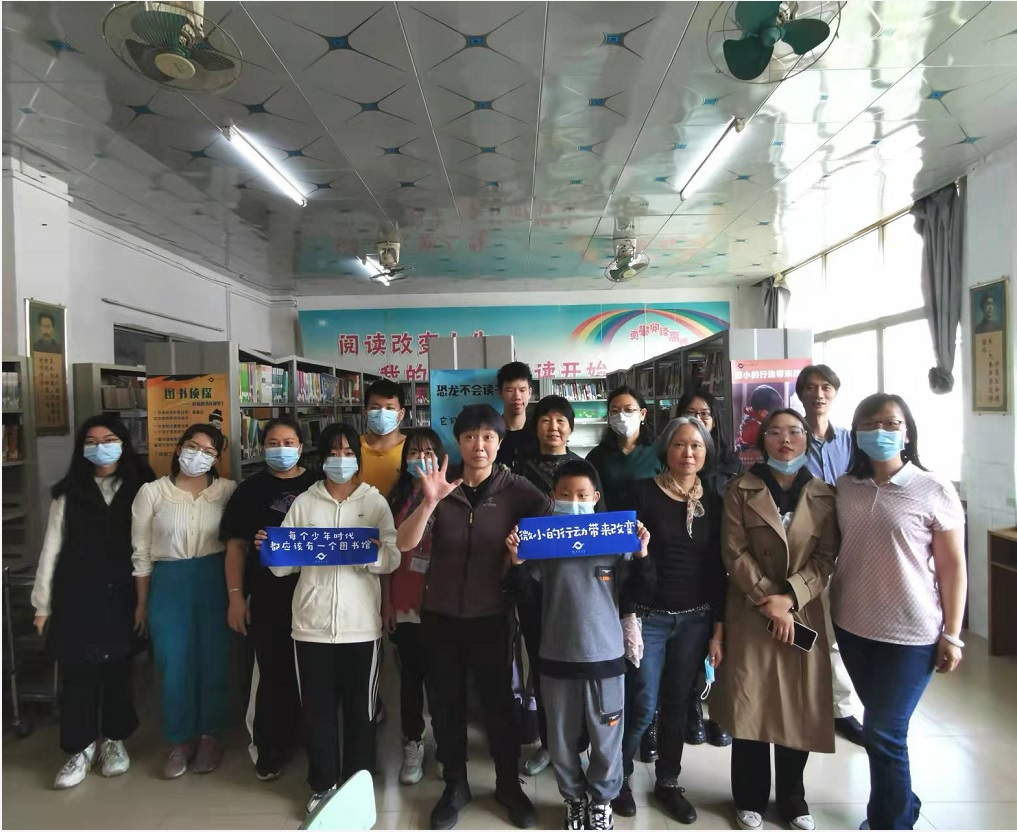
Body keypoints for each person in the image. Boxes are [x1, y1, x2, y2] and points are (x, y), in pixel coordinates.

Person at [396, 404, 553, 831]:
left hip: (493, 616)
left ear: (499, 442)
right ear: (458, 442)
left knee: (499, 704)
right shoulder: (440, 486)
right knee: (446, 705)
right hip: (440, 615)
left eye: (487, 437)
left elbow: (549, 538)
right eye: (469, 437)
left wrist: (521, 562)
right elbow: (404, 543)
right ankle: (455, 785)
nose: (478, 446)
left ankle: (508, 784)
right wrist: (429, 502)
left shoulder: (519, 490)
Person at [831, 394, 966, 831]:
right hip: (853, 625)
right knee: (882, 729)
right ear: (857, 434)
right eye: (869, 424)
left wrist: (952, 633)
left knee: (883, 732)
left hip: (912, 633)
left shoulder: (933, 489)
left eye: (890, 424)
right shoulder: (845, 487)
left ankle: (890, 822)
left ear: (907, 433)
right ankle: (902, 801)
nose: (880, 432)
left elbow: (952, 567)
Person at [503, 459, 650, 831]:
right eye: (566, 494)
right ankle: (572, 799)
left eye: (583, 495)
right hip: (557, 657)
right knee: (561, 740)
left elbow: (640, 591)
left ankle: (601, 802)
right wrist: (517, 562)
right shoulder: (545, 541)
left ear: (596, 497)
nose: (575, 501)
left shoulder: (614, 539)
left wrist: (642, 555)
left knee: (606, 738)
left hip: (606, 658)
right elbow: (524, 595)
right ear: (553, 498)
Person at [710, 408, 838, 832]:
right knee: (751, 702)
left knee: (798, 705)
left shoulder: (823, 495)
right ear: (762, 440)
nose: (785, 440)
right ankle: (748, 797)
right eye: (776, 433)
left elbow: (825, 559)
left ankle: (792, 798)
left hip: (802, 611)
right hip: (752, 610)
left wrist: (790, 598)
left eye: (795, 432)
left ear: (807, 439)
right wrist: (769, 600)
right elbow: (733, 552)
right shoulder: (740, 489)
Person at [267, 423, 401, 816]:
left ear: (358, 459)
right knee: (317, 712)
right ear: (321, 458)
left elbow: (392, 558)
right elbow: (282, 569)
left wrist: (371, 554)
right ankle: (323, 784)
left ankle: (358, 784)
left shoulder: (374, 502)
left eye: (347, 453)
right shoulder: (304, 503)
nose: (340, 460)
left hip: (361, 626)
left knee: (362, 712)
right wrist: (275, 550)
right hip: (310, 625)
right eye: (332, 453)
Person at [614, 417, 726, 825]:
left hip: (696, 619)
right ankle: (619, 777)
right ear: (666, 449)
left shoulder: (715, 501)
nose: (688, 453)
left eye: (696, 445)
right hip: (650, 618)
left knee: (678, 703)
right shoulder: (641, 492)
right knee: (642, 704)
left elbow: (719, 568)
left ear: (706, 452)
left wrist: (718, 628)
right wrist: (628, 614)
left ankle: (668, 781)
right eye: (680, 444)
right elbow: (625, 561)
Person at [31, 416, 154, 789]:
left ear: (124, 444)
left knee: (117, 670)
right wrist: (42, 605)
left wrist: (143, 602)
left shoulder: (141, 488)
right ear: (82, 448)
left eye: (109, 439)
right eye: (92, 440)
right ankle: (79, 747)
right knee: (78, 672)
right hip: (76, 595)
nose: (101, 447)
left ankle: (114, 740)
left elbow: (146, 548)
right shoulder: (68, 492)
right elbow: (51, 549)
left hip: (123, 594)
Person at [132, 424, 236, 779]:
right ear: (178, 449)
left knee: (214, 657)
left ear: (217, 458)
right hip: (168, 581)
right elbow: (141, 552)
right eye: (193, 446)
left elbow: (236, 544)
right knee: (171, 659)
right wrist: (142, 602)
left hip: (214, 577)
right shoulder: (152, 493)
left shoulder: (227, 491)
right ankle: (179, 738)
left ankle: (209, 735)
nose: (198, 455)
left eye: (208, 451)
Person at [220, 417, 318, 781]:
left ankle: (311, 737)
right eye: (273, 443)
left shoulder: (318, 485)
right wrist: (235, 597)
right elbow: (235, 548)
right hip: (266, 595)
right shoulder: (249, 490)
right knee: (272, 670)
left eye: (288, 442)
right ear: (263, 448)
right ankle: (270, 746)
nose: (281, 449)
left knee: (313, 672)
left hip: (314, 594)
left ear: (301, 446)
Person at [513, 394, 583, 777]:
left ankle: (577, 743)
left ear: (570, 427)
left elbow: (600, 524)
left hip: (577, 589)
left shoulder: (583, 469)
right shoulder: (519, 471)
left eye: (560, 421)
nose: (553, 427)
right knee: (541, 666)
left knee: (577, 664)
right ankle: (548, 742)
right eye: (545, 420)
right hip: (534, 585)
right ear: (535, 426)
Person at [795, 364, 864, 746]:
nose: (818, 394)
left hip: (850, 548)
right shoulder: (791, 437)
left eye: (825, 387)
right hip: (805, 551)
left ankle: (842, 709)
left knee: (841, 633)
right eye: (810, 387)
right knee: (805, 629)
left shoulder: (852, 442)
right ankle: (806, 701)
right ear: (800, 394)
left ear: (835, 393)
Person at [674, 389, 741, 749]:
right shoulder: (673, 461)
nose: (698, 419)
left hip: (728, 561)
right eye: (690, 412)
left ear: (715, 421)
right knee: (689, 648)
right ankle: (691, 711)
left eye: (705, 414)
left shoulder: (732, 465)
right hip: (690, 566)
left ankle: (719, 713)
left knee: (721, 641)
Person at [381, 428, 444, 786]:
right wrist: (387, 603)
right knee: (410, 677)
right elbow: (386, 560)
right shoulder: (394, 500)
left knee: (442, 679)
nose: (422, 458)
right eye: (415, 452)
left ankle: (446, 744)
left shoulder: (452, 495)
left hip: (440, 604)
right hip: (404, 602)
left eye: (429, 452)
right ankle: (413, 741)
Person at [585, 386, 662, 512]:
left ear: (642, 414)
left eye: (629, 410)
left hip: (650, 521)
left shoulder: (659, 452)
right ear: (609, 417)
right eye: (615, 411)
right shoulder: (597, 456)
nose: (621, 416)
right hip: (610, 522)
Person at [360, 378, 408, 498]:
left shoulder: (412, 449)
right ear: (365, 412)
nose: (382, 413)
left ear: (401, 414)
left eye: (390, 408)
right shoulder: (352, 447)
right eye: (375, 408)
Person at [495, 361, 538, 469]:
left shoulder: (539, 431)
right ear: (500, 392)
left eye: (522, 390)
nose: (517, 396)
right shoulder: (491, 432)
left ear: (529, 392)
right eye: (510, 390)